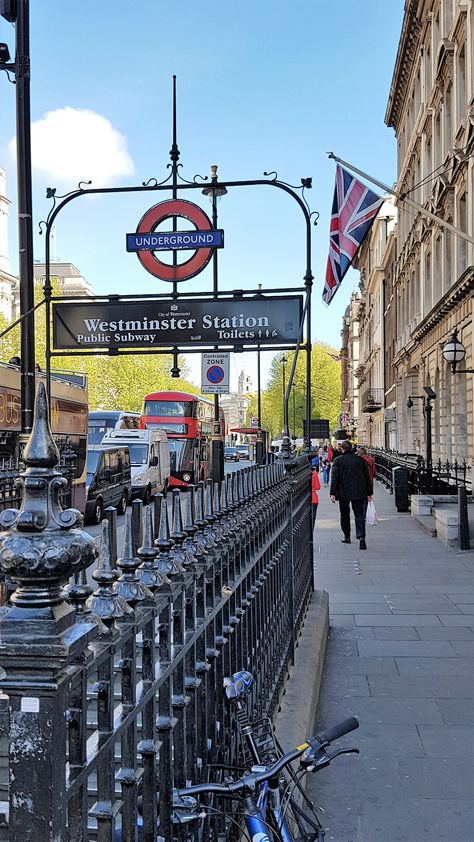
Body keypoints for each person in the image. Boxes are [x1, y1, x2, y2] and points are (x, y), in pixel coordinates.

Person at [329, 440, 373, 550]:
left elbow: (334, 478)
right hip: (359, 491)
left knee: (344, 514)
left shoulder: (338, 460)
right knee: (359, 515)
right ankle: (361, 537)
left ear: (342, 449)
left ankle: (347, 536)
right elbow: (367, 477)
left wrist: (332, 493)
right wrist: (369, 492)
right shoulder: (360, 460)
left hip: (343, 492)